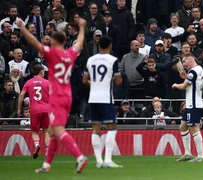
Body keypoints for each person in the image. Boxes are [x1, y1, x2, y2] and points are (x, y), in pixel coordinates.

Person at [15, 17, 88, 173]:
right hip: (67, 96)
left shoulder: (52, 53)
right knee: (53, 132)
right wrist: (82, 27)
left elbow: (34, 42)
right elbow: (80, 43)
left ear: (54, 42)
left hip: (56, 97)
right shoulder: (70, 53)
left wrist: (22, 27)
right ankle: (47, 165)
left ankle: (80, 157)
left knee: (58, 130)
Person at [82, 36, 123, 168]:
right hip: (106, 97)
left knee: (95, 129)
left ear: (99, 46)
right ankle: (108, 160)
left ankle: (99, 161)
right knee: (112, 127)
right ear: (110, 46)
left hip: (93, 97)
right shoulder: (113, 60)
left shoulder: (91, 59)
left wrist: (94, 85)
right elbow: (118, 81)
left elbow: (84, 80)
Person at [172, 52, 203, 162]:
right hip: (192, 103)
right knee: (183, 126)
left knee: (194, 128)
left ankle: (200, 156)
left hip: (194, 104)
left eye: (185, 61)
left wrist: (175, 85)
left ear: (190, 59)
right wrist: (185, 78)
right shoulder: (199, 69)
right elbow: (192, 83)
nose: (184, 64)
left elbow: (183, 86)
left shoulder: (193, 72)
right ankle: (187, 153)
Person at [17, 65, 50, 159]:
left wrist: (19, 109)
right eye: (43, 71)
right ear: (41, 72)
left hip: (34, 109)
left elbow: (21, 94)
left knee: (35, 132)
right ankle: (47, 150)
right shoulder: (47, 82)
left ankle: (36, 145)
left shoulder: (28, 82)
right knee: (46, 131)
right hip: (46, 109)